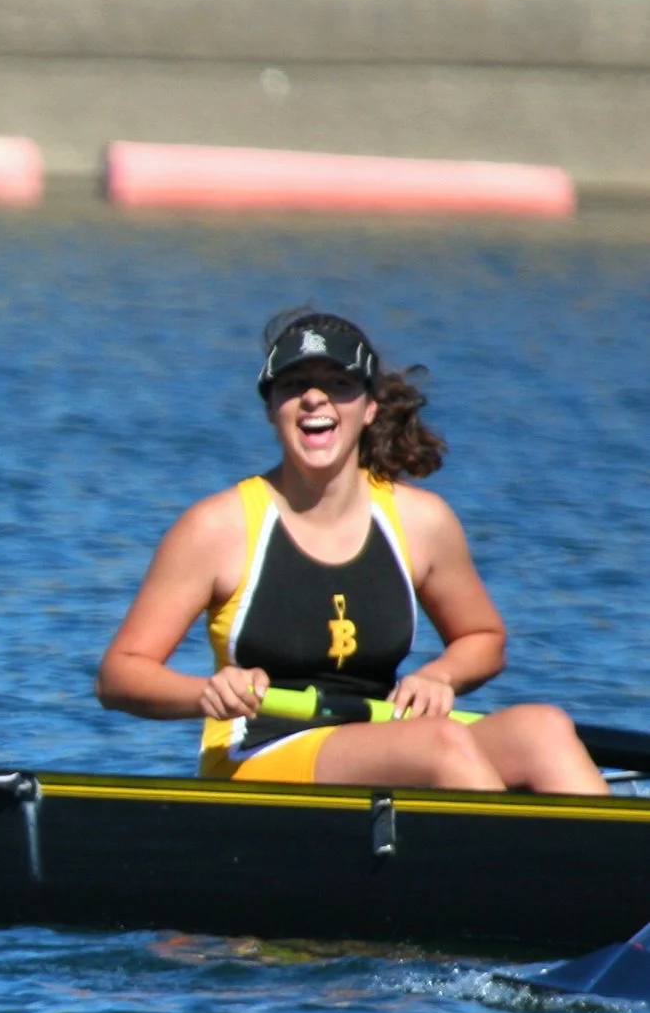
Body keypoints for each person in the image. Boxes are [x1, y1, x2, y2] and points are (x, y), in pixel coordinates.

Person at [94, 309, 601, 793]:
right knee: (441, 742)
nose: (315, 400)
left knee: (545, 729)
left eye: (338, 385)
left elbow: (485, 637)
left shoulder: (422, 522)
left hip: (389, 736)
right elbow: (119, 674)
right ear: (272, 409)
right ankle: (523, 872)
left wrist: (439, 675)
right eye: (294, 387)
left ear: (369, 407)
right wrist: (206, 692)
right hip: (260, 749)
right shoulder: (216, 528)